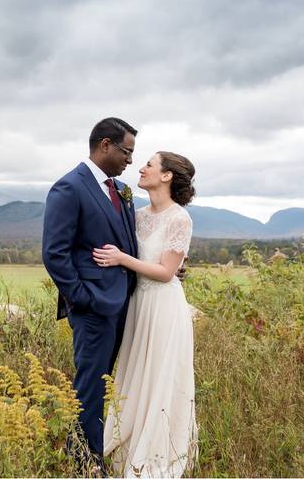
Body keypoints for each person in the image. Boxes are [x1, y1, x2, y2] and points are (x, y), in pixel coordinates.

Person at [42, 117, 140, 472]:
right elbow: (55, 253)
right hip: (93, 307)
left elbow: (129, 243)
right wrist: (82, 299)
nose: (130, 160)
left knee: (110, 382)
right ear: (105, 145)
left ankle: (90, 450)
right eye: (126, 151)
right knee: (91, 384)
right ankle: (85, 461)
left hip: (124, 303)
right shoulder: (69, 188)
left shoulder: (120, 190)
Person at [94, 151, 199, 478]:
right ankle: (126, 444)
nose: (141, 168)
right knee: (134, 373)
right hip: (138, 305)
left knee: (159, 377)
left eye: (150, 164)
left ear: (166, 176)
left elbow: (167, 272)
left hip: (164, 308)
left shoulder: (179, 218)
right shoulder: (136, 214)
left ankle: (156, 452)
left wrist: (122, 259)